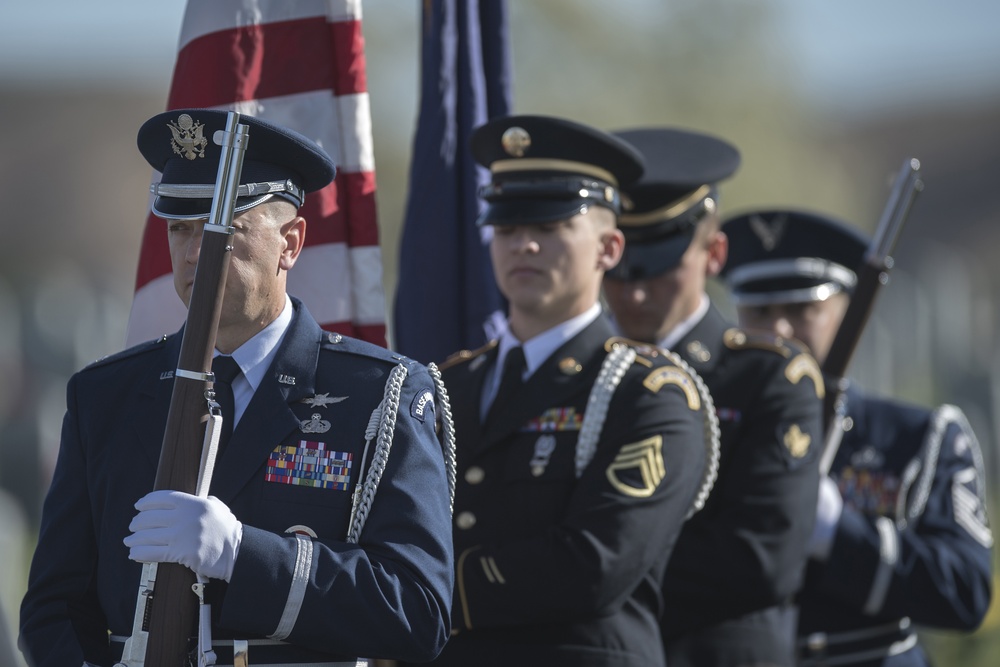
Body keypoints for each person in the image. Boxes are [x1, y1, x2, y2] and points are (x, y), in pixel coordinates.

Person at [19, 109, 455, 667]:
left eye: (223, 230)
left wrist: (243, 555)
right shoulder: (105, 396)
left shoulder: (378, 395)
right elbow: (55, 608)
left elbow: (418, 611)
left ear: (291, 243)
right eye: (181, 229)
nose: (196, 252)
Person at [407, 115, 717, 667]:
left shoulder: (650, 393)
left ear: (609, 248)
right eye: (506, 227)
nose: (523, 244)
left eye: (550, 228)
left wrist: (404, 591)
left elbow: (594, 565)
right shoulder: (447, 384)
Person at [721, 208, 994, 666]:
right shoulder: (713, 432)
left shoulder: (917, 437)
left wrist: (834, 530)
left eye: (801, 309)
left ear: (849, 311)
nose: (779, 330)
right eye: (760, 311)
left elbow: (964, 590)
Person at [602, 128, 825, 666]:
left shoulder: (769, 378)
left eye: (660, 266)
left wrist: (589, 575)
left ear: (714, 253)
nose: (634, 291)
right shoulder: (589, 375)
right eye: (622, 267)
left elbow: (761, 558)